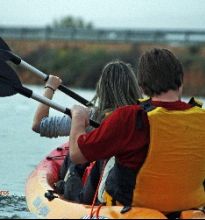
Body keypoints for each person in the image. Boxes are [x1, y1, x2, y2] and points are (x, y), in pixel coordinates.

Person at [69, 48, 205, 213]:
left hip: (132, 211)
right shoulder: (201, 118)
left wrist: (77, 117)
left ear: (142, 87)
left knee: (100, 160)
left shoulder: (129, 117)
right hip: (190, 210)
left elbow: (76, 155)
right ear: (181, 80)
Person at [32, 60, 142, 204]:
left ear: (102, 88)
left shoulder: (91, 116)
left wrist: (50, 87)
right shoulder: (143, 116)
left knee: (75, 152)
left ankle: (65, 189)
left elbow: (39, 124)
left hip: (103, 188)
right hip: (128, 186)